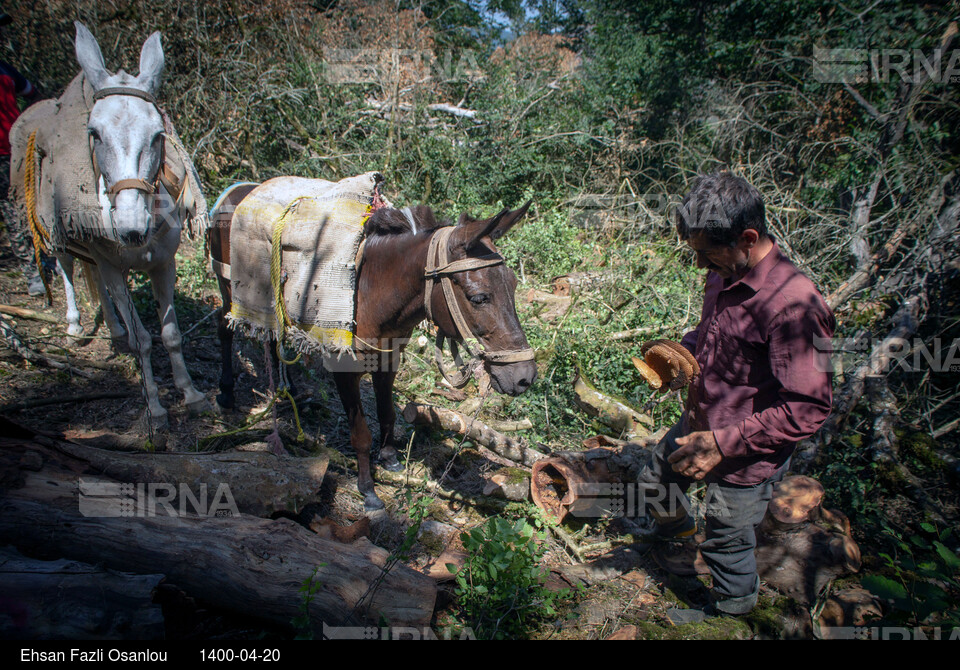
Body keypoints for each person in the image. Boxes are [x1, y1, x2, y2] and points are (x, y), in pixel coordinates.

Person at [635, 171, 835, 616]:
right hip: (699, 425)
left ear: (747, 238)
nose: (702, 266)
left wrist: (723, 444)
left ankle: (729, 613)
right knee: (655, 482)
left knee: (726, 538)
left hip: (745, 455)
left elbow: (809, 408)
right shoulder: (726, 273)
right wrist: (681, 353)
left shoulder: (794, 307)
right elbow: (713, 334)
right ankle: (678, 543)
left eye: (708, 254)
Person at [0, 11, 43, 296]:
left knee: (22, 209)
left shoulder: (6, 70)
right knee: (13, 212)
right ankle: (32, 274)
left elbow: (32, 92)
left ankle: (36, 270)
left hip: (14, 152)